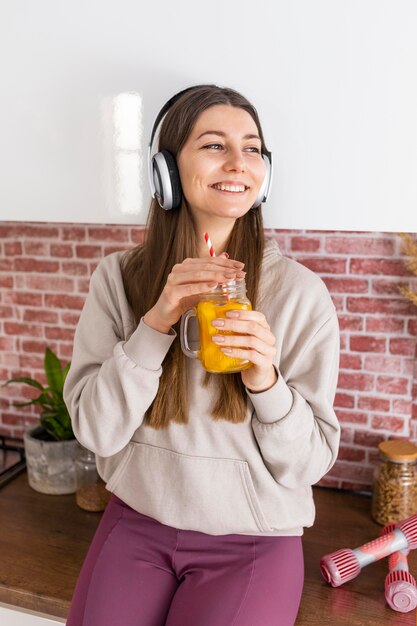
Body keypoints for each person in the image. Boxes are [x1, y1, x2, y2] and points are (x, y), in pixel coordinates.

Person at [63, 84, 341, 626]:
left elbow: (309, 463)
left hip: (253, 540)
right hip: (136, 519)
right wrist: (156, 322)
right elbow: (96, 432)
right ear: (165, 171)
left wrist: (267, 381)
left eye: (253, 148)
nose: (240, 162)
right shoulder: (119, 280)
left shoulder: (302, 295)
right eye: (215, 145)